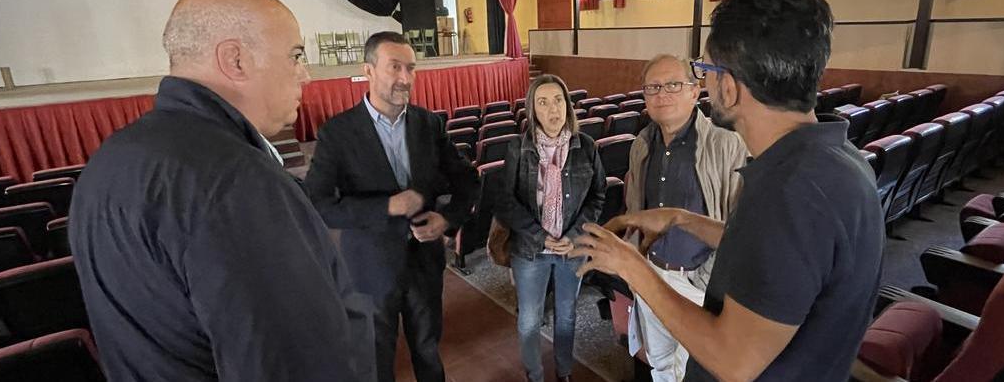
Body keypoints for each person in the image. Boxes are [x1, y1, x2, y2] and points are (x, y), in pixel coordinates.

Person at [571, 0, 884, 382]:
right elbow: (770, 254)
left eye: (705, 71)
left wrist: (631, 265)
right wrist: (682, 218)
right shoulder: (835, 159)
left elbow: (733, 361)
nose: (704, 82)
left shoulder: (791, 194)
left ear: (730, 87)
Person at [70, 0, 374, 381]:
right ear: (236, 60)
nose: (306, 74)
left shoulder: (110, 158)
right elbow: (294, 364)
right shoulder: (236, 181)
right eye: (296, 55)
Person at [304, 31, 479, 382]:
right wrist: (387, 206)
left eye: (411, 68)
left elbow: (467, 180)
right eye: (395, 67)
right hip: (371, 269)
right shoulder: (337, 133)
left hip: (424, 265)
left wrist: (447, 220)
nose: (406, 78)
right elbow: (318, 205)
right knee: (377, 358)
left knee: (429, 352)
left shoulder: (429, 124)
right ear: (367, 70)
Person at [626, 55, 747, 382]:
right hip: (652, 275)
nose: (661, 94)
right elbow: (635, 209)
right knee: (661, 365)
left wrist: (707, 278)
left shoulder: (726, 145)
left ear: (695, 92)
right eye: (652, 87)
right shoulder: (641, 145)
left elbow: (740, 226)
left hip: (698, 281)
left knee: (695, 373)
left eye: (673, 85)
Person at [497, 74, 607, 382]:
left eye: (558, 100)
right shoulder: (518, 148)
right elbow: (506, 202)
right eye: (542, 102)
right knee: (529, 321)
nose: (552, 109)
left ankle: (564, 373)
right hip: (531, 251)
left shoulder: (586, 146)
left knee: (567, 317)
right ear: (532, 110)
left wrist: (573, 237)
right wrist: (540, 235)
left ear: (568, 106)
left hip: (572, 250)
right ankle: (535, 375)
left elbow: (598, 195)